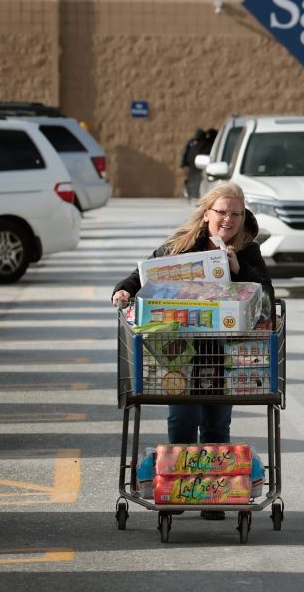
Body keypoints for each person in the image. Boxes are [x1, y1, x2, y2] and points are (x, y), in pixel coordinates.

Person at [111, 182, 273, 520]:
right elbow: (143, 275)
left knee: (216, 421)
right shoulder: (181, 246)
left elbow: (266, 297)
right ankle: (179, 489)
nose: (228, 219)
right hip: (179, 351)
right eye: (222, 212)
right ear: (206, 215)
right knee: (183, 418)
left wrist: (238, 270)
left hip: (223, 353)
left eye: (235, 214)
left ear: (243, 218)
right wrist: (123, 291)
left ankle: (215, 495)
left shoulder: (248, 251)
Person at [180, 128, 206, 199]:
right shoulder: (192, 143)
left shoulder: (203, 144)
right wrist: (183, 163)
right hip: (193, 166)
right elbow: (185, 152)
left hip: (198, 166)